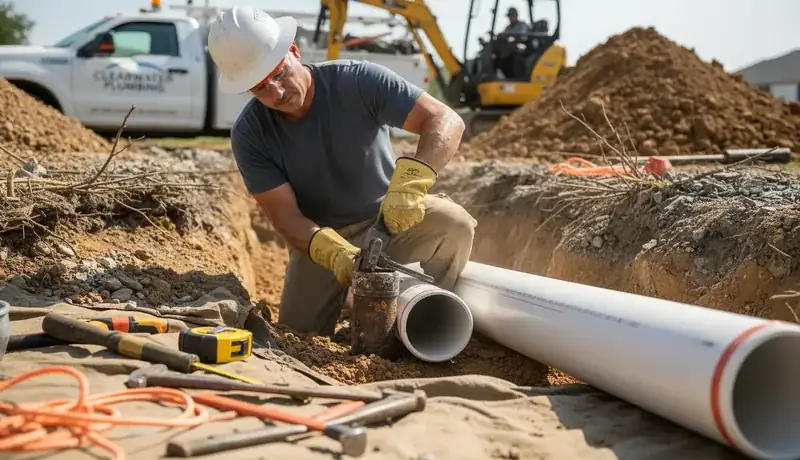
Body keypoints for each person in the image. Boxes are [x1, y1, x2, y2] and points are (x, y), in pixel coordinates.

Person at [207, 7, 477, 336]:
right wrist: (334, 254)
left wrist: (414, 182)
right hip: (321, 239)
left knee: (456, 224)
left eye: (278, 74)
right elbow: (286, 217)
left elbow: (445, 120)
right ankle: (350, 301)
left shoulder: (357, 81)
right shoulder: (250, 134)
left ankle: (426, 321)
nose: (276, 93)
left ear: (293, 51)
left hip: (388, 220)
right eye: (260, 87)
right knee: (297, 337)